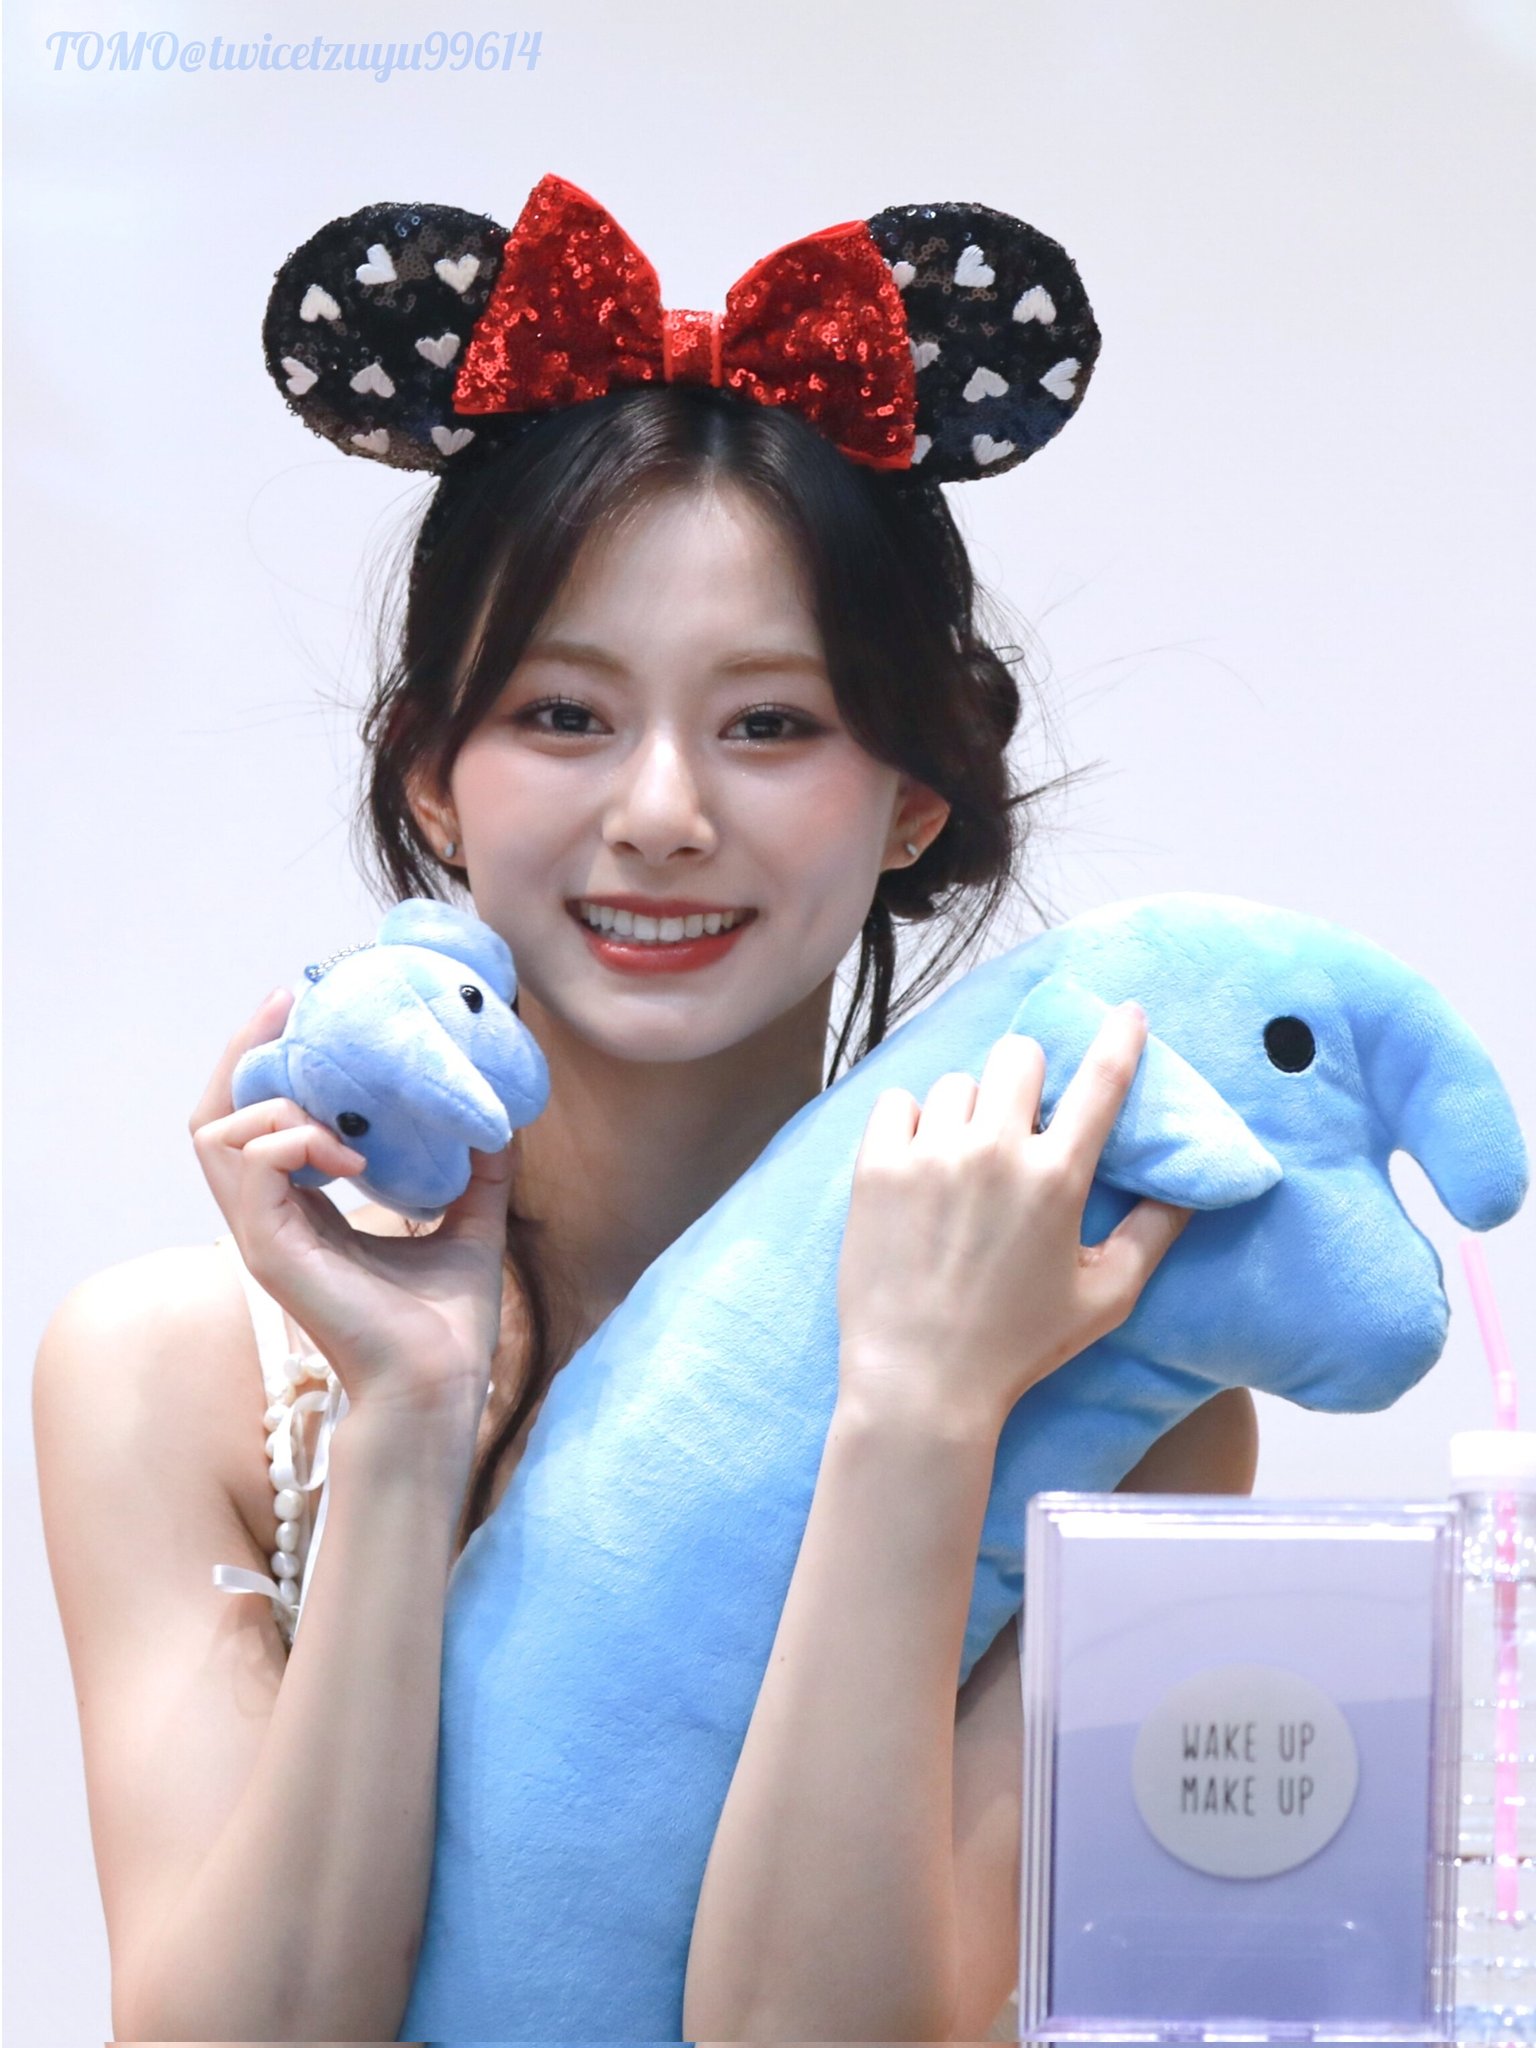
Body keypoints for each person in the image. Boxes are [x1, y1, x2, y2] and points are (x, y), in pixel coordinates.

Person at [32, 181, 1259, 2044]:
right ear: (430, 775)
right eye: (564, 715)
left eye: (771, 723)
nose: (665, 813)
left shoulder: (1100, 1388)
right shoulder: (176, 1375)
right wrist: (407, 1417)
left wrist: (918, 1420)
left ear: (914, 794)